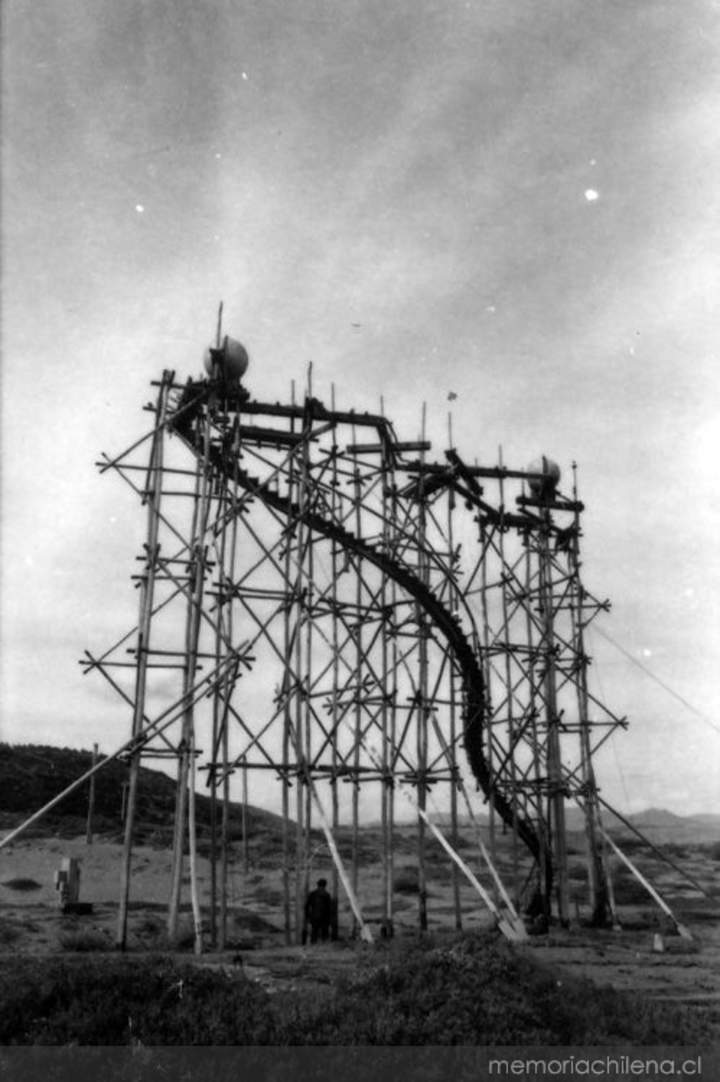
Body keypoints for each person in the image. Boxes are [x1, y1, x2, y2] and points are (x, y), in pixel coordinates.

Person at [305, 878, 333, 943]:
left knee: (314, 932)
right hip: (324, 917)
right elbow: (329, 908)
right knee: (324, 933)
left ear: (317, 885)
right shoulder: (326, 894)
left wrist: (308, 916)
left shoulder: (312, 894)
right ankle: (323, 946)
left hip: (314, 916)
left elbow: (307, 906)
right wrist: (329, 918)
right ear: (325, 885)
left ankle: (313, 945)